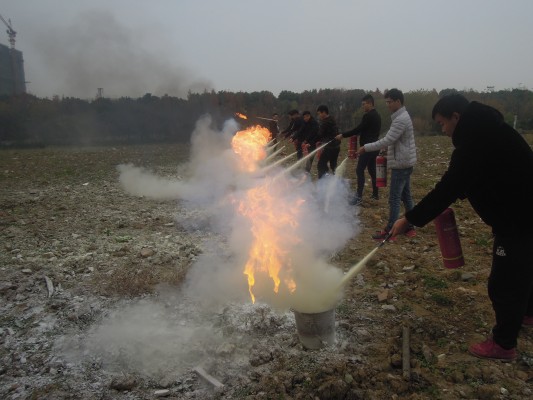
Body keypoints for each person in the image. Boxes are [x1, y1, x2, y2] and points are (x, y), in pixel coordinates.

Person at [390, 94, 533, 361]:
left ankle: (503, 344)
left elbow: (447, 188)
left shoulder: (475, 142)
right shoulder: (490, 130)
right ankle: (526, 313)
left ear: (456, 117)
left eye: (443, 123)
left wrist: (409, 219)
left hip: (518, 219)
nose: (443, 130)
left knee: (505, 282)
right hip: (524, 214)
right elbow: (488, 174)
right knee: (524, 267)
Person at [357, 88, 417, 239]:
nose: (387, 105)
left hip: (401, 164)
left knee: (394, 198)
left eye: (389, 102)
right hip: (405, 162)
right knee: (406, 196)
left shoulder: (401, 119)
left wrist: (366, 147)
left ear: (398, 101)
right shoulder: (400, 117)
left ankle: (391, 230)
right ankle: (410, 225)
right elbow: (394, 141)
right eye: (386, 102)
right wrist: (386, 150)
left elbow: (388, 139)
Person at [336, 94, 382, 205]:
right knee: (372, 170)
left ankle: (358, 196)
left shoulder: (368, 116)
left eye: (363, 104)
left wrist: (343, 135)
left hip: (367, 148)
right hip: (375, 147)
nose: (362, 107)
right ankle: (375, 194)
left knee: (359, 170)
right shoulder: (377, 115)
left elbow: (358, 129)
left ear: (370, 103)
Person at [316, 105, 341, 178]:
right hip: (336, 147)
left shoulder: (325, 122)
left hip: (329, 147)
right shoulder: (332, 119)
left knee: (320, 165)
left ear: (324, 112)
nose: (319, 115)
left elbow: (319, 134)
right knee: (333, 165)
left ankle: (322, 183)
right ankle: (336, 182)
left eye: (319, 113)